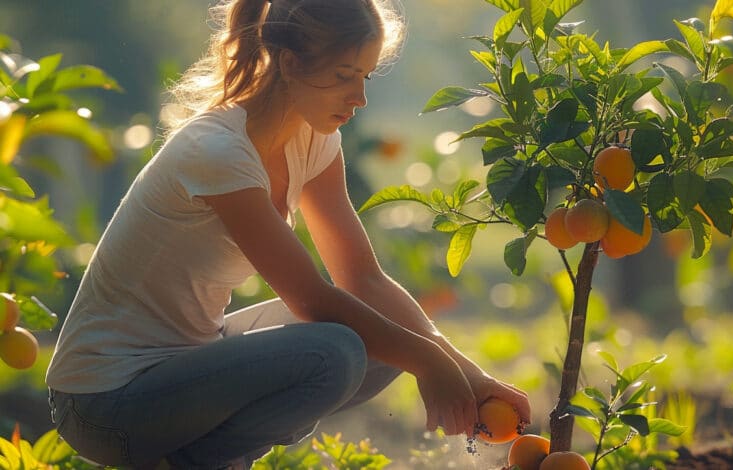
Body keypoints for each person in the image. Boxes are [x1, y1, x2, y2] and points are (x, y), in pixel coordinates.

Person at [45, 0, 532, 468]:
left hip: (190, 362)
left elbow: (364, 281)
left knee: (382, 340)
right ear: (290, 63)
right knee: (336, 351)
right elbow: (311, 300)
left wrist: (470, 375)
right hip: (105, 404)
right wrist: (429, 361)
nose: (359, 98)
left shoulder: (315, 140)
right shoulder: (217, 150)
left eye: (364, 77)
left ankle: (207, 458)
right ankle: (195, 464)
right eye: (344, 77)